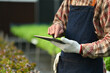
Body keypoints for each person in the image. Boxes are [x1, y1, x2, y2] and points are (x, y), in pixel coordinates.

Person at [48, 0, 110, 73]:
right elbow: (59, 20)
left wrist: (80, 49)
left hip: (90, 68)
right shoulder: (69, 1)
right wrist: (58, 26)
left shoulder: (103, 2)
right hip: (65, 66)